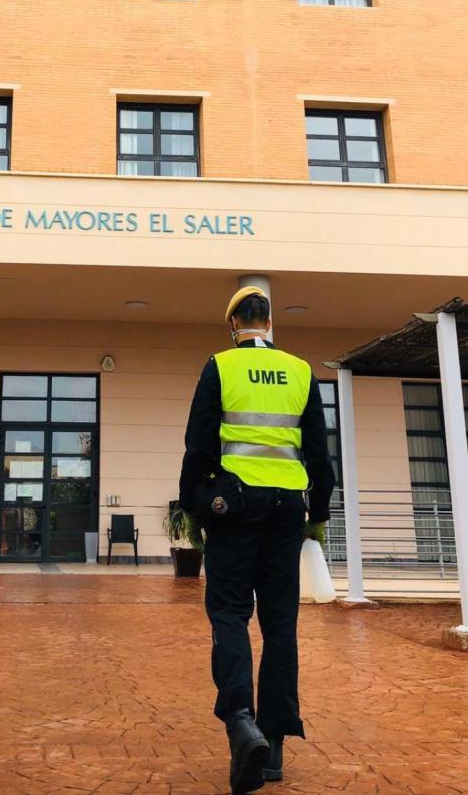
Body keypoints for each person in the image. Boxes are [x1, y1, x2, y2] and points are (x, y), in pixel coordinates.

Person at [179, 286, 335, 795]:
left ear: (234, 325)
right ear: (269, 324)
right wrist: (320, 512)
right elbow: (319, 452)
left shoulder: (220, 366)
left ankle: (242, 723)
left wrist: (191, 508)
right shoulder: (300, 371)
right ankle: (275, 746)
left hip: (235, 510)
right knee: (280, 624)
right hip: (287, 510)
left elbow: (199, 445)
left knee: (229, 614)